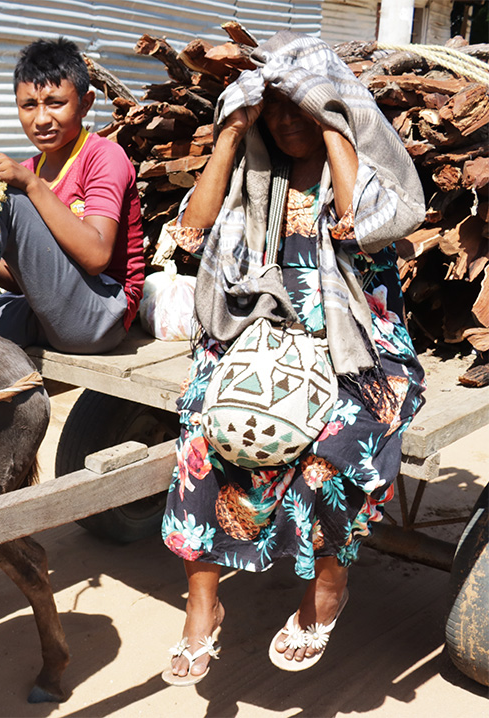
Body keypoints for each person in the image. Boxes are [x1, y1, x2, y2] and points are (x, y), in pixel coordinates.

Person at [159, 32, 427, 685]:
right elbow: (192, 234)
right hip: (271, 337)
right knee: (200, 418)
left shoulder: (362, 170)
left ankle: (326, 588)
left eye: (297, 104)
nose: (284, 120)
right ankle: (203, 602)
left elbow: (360, 226)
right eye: (272, 106)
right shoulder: (262, 174)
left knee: (332, 453)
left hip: (363, 348)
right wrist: (231, 132)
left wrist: (333, 118)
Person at [0, 37, 145, 354]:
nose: (41, 119)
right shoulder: (28, 169)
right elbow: (28, 277)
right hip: (42, 309)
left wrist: (32, 185)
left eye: (55, 103)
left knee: (0, 191)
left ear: (85, 103)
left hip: (99, 315)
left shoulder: (103, 156)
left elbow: (97, 258)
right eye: (29, 105)